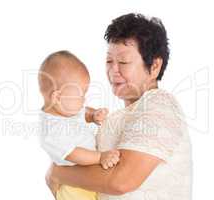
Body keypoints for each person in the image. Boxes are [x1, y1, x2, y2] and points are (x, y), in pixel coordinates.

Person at [46, 13, 192, 200]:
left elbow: (121, 181)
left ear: (154, 66)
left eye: (123, 62)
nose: (113, 70)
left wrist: (57, 172)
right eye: (109, 61)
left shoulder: (160, 105)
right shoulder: (122, 117)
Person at [38, 50, 120, 200]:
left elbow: (83, 112)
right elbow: (74, 154)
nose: (84, 99)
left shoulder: (66, 109)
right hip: (73, 186)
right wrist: (100, 157)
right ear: (57, 97)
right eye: (81, 94)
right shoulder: (52, 131)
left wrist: (93, 115)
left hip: (86, 177)